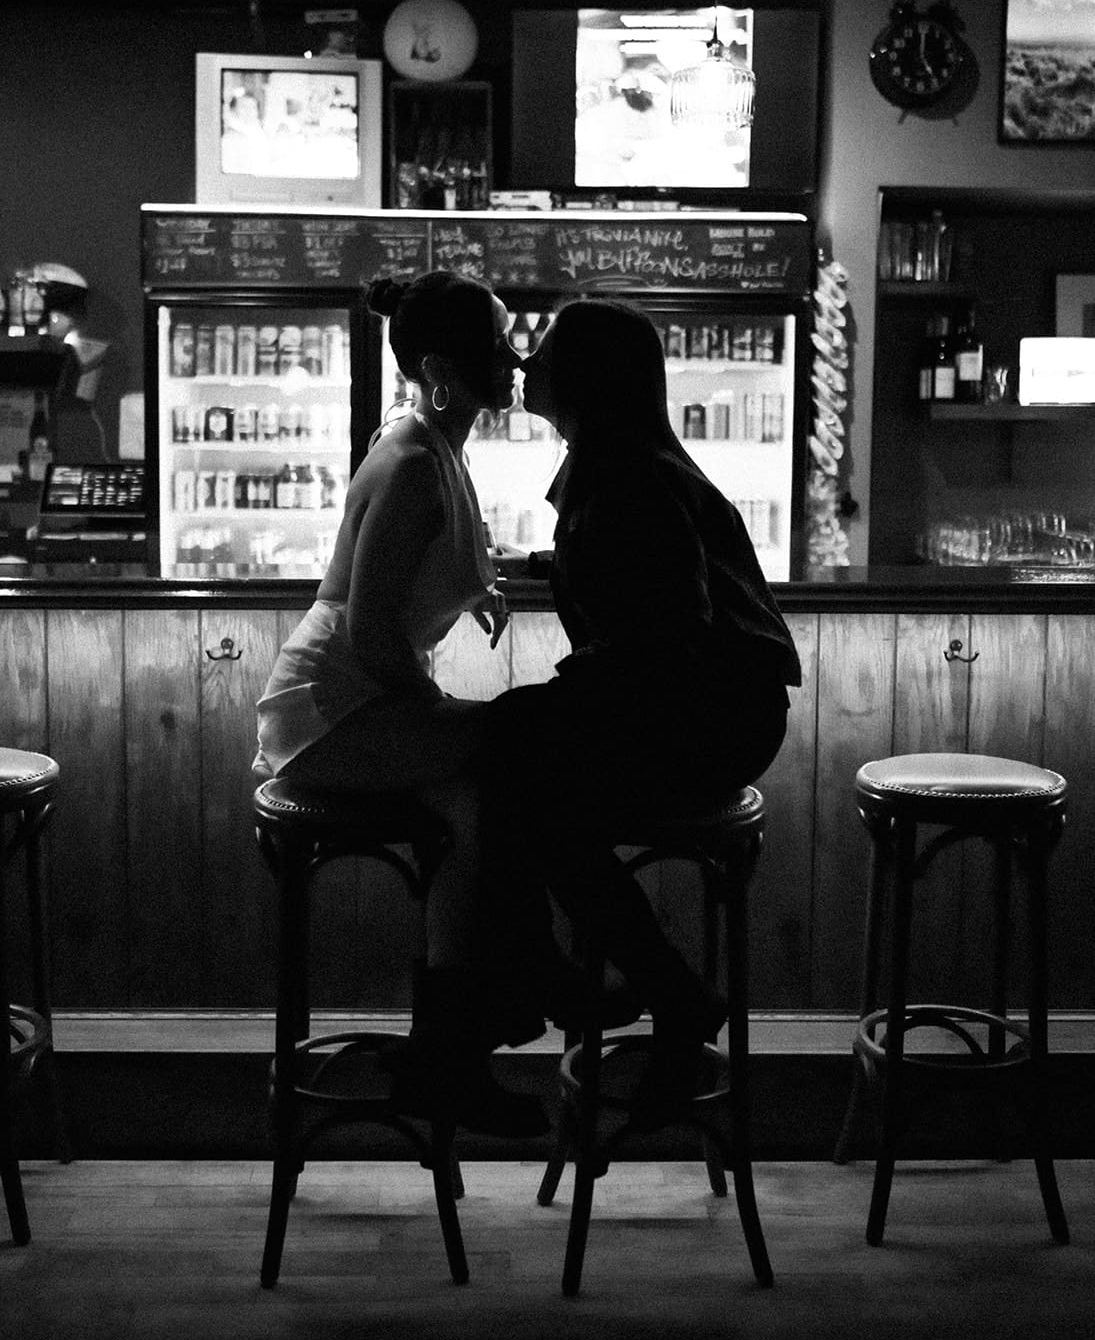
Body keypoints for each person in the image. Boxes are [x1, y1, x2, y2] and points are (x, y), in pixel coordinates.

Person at [481, 295, 802, 1128]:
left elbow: (670, 633)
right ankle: (630, 989)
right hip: (707, 706)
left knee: (511, 752)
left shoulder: (627, 476)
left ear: (586, 378)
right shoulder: (623, 463)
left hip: (710, 718)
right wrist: (534, 565)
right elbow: (629, 572)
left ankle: (572, 981)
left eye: (545, 350)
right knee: (519, 757)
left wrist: (575, 696)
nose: (526, 363)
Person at [254, 270, 547, 1137]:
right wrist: (434, 709)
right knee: (523, 739)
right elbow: (373, 634)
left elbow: (411, 577)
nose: (515, 358)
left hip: (362, 701)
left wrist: (476, 588)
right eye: (496, 345)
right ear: (441, 370)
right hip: (332, 710)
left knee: (473, 808)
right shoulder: (414, 462)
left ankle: (447, 1055)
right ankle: (528, 989)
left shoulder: (435, 446)